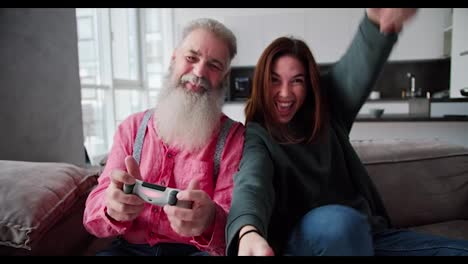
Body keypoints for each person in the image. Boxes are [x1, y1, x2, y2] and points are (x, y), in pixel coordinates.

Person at [226, 8, 468, 256]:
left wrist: (376, 23)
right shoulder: (257, 135)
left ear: (309, 85)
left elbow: (355, 69)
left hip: (371, 237)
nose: (285, 93)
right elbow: (252, 182)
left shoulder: (329, 110)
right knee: (338, 223)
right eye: (275, 80)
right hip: (309, 242)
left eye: (297, 80)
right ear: (262, 83)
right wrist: (248, 231)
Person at [83, 18, 245, 256]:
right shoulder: (132, 127)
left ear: (224, 75)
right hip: (129, 250)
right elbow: (92, 215)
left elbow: (237, 221)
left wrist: (210, 219)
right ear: (173, 58)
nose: (199, 72)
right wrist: (112, 207)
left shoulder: (234, 138)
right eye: (191, 58)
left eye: (214, 65)